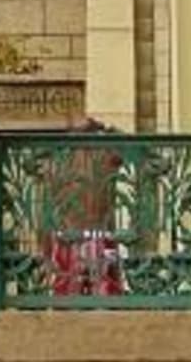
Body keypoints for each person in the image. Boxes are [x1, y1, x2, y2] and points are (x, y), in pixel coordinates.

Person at [41, 121, 127, 297]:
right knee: (103, 290)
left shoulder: (60, 159)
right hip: (96, 231)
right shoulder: (103, 154)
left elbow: (50, 203)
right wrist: (108, 130)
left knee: (68, 289)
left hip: (70, 232)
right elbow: (125, 148)